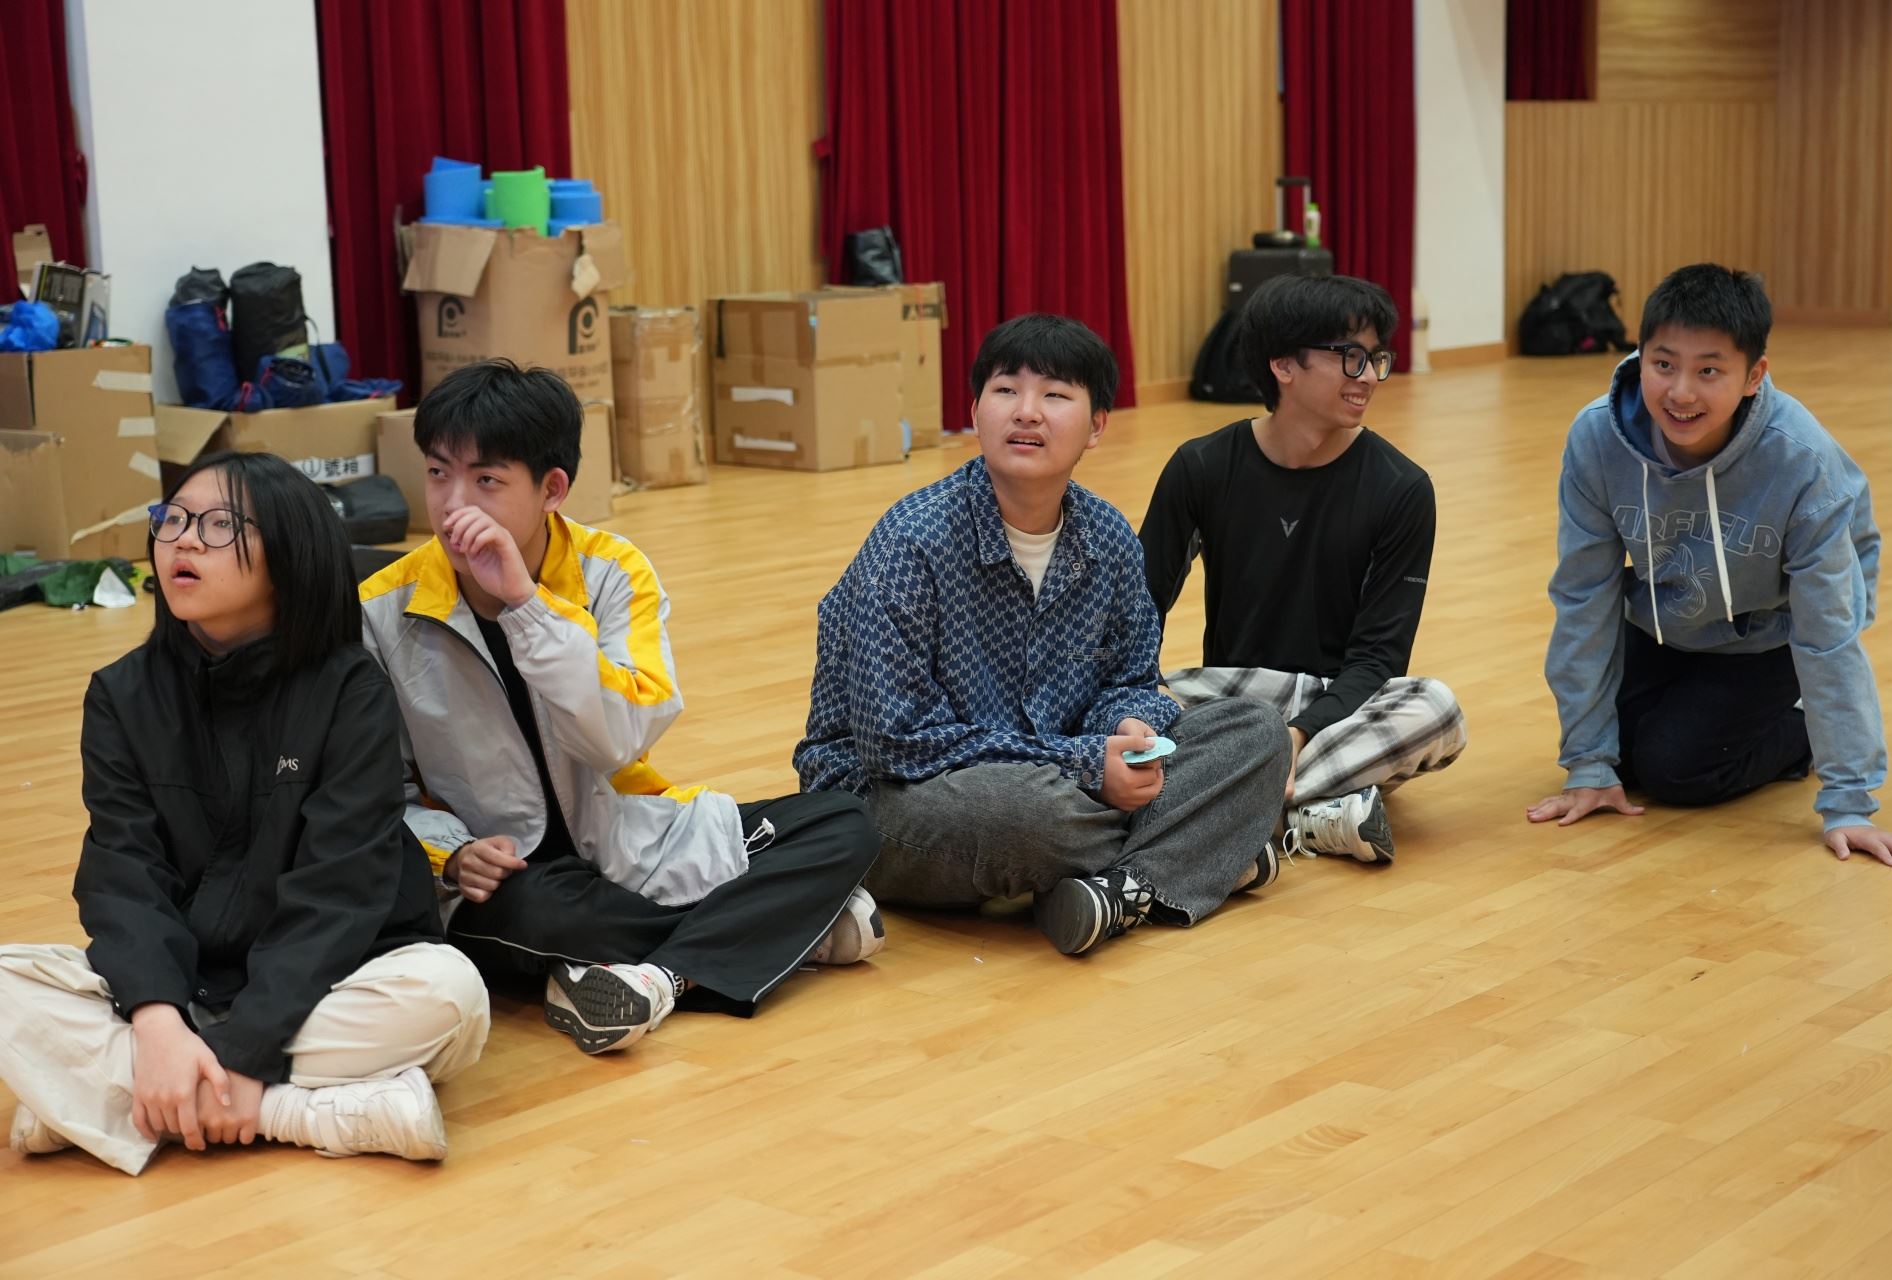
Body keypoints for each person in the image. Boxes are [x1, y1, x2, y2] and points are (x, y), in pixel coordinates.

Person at [360, 360, 882, 1057]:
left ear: (552, 489)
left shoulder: (613, 571)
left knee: (844, 823)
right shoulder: (380, 610)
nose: (454, 506)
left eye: (486, 480)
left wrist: (527, 606)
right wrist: (449, 854)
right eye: (437, 473)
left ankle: (656, 976)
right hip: (512, 879)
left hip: (627, 840)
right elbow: (374, 791)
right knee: (550, 920)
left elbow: (619, 739)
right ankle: (784, 930)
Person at [0, 452, 488, 1175]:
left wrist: (250, 1045)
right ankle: (295, 1113)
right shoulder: (122, 694)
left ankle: (111, 1098)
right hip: (188, 984)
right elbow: (123, 873)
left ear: (290, 557)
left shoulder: (349, 690)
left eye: (219, 526)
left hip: (331, 978)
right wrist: (158, 1020)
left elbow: (338, 894)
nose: (183, 540)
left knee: (451, 995)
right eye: (173, 519)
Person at [796, 314, 1290, 957]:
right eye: (1006, 390)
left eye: (1055, 394)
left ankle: (1116, 890)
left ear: (1097, 426)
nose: (1026, 411)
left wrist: (1131, 727)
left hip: (1061, 778)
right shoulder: (912, 541)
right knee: (1025, 814)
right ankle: (1197, 852)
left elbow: (1131, 679)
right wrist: (1086, 765)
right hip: (900, 799)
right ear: (975, 413)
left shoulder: (1108, 538)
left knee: (1255, 730)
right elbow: (897, 743)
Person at [1532, 262, 1892, 867]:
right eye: (1664, 365)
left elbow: (1828, 633)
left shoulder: (1799, 460)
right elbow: (1584, 597)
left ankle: (1798, 729)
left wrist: (1848, 802)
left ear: (1753, 376)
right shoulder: (1597, 439)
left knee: (1675, 769)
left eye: (1709, 371)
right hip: (1666, 620)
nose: (1681, 393)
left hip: (1770, 636)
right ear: (1640, 356)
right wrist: (1587, 763)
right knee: (1620, 754)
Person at [1140, 274, 1465, 865]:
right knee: (1135, 700)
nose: (1369, 377)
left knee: (1436, 710)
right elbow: (1140, 610)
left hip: (1338, 708)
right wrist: (1135, 709)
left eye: (1376, 359)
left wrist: (1299, 733)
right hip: (1233, 696)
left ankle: (1218, 803)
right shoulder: (1202, 467)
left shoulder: (1402, 488)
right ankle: (1312, 813)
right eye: (1350, 357)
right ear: (1283, 364)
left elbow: (1379, 660)